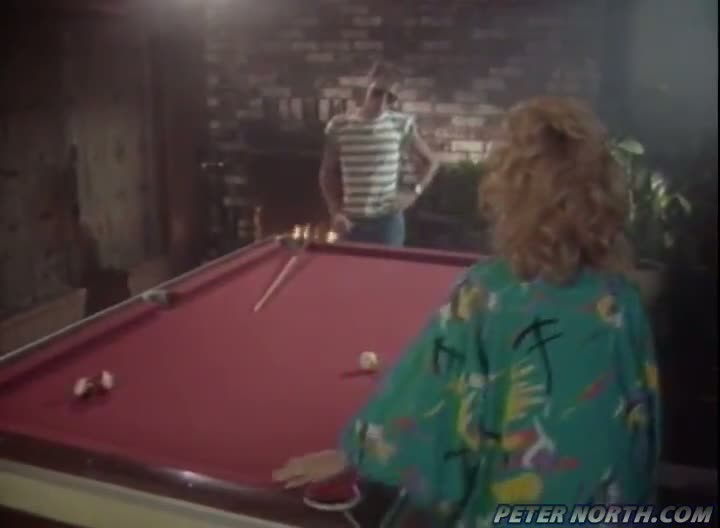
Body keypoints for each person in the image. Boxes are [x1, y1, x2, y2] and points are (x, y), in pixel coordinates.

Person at [274, 97, 661, 526]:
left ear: (511, 190)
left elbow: (432, 405)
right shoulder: (621, 299)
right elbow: (640, 421)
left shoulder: (489, 292)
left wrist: (355, 452)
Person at [320, 61, 438, 247]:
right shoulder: (339, 126)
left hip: (387, 224)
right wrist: (335, 212)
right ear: (368, 85)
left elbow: (431, 162)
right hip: (350, 223)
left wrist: (413, 193)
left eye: (390, 98)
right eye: (377, 92)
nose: (382, 102)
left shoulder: (401, 124)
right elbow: (327, 173)